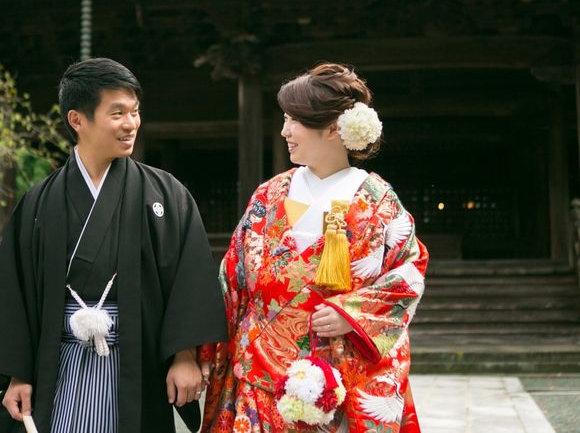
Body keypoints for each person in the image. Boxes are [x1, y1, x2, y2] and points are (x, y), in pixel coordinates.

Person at [0, 58, 228, 433]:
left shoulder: (165, 194)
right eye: (117, 113)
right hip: (58, 363)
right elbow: (14, 292)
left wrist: (184, 354)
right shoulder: (39, 202)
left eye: (134, 112)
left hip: (135, 362)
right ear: (77, 120)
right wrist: (18, 374)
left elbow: (189, 278)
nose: (131, 124)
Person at [202, 62, 429, 432]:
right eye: (285, 119)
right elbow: (232, 279)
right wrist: (195, 351)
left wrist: (353, 314)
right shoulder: (270, 194)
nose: (285, 131)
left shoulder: (376, 200)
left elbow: (408, 272)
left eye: (295, 120)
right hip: (259, 372)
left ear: (334, 129)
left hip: (335, 378)